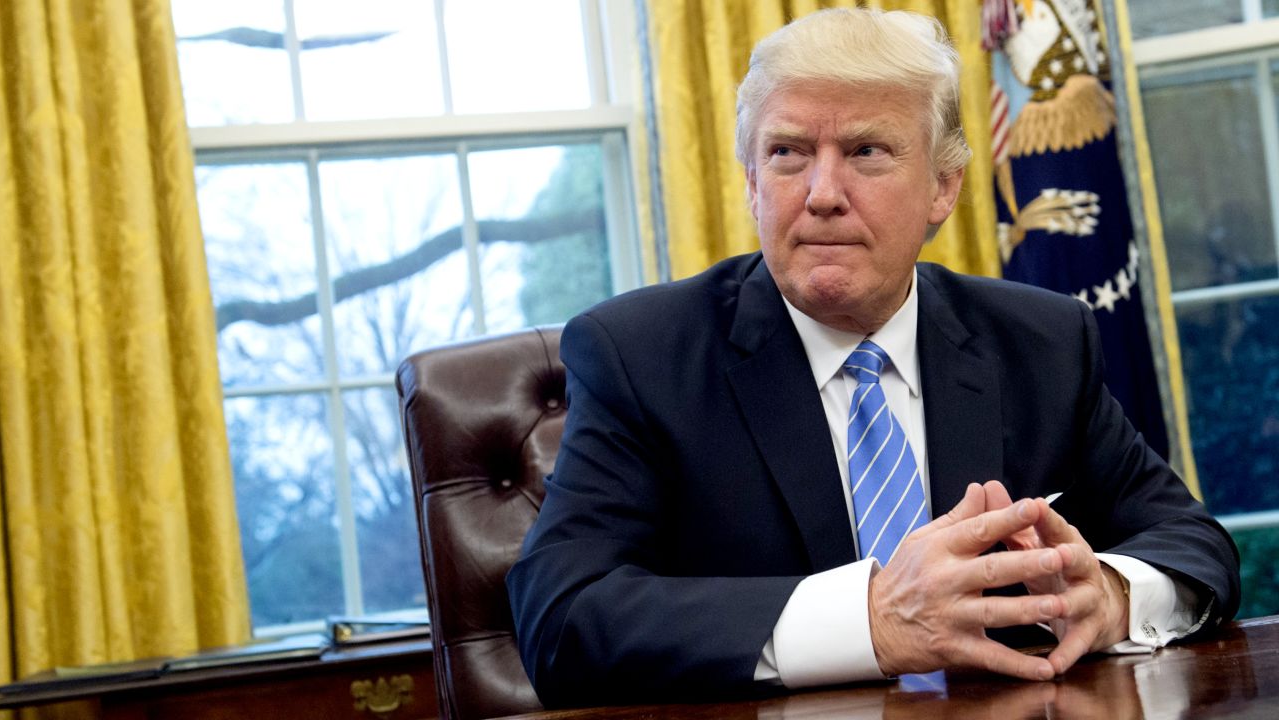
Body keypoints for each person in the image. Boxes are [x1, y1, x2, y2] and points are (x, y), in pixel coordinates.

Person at [506, 6, 1239, 708]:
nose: (823, 194)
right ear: (752, 182)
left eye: (867, 152)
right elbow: (563, 617)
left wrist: (1109, 595)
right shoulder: (641, 355)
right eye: (788, 153)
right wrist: (872, 621)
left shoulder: (1041, 342)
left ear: (944, 187)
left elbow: (1194, 545)